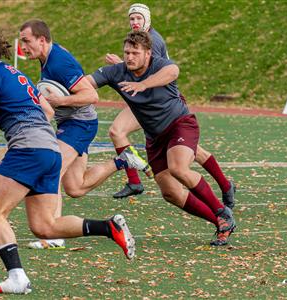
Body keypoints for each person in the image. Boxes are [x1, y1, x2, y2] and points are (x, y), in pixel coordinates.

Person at [0, 26, 136, 294]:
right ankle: (109, 227)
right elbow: (48, 110)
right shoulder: (17, 74)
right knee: (45, 226)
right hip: (50, 148)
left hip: (28, 150)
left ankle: (17, 278)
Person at [88, 31, 237, 246]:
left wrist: (145, 84)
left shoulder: (159, 65)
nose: (130, 57)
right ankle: (220, 221)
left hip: (180, 125)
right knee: (170, 193)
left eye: (135, 53)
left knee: (178, 168)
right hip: (154, 138)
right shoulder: (117, 71)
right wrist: (62, 94)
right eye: (127, 52)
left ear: (148, 53)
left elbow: (173, 71)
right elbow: (87, 82)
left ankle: (222, 211)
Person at [18, 19, 149, 249]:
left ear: (41, 39)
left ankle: (52, 236)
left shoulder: (58, 62)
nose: (23, 47)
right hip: (72, 122)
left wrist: (59, 101)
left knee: (52, 170)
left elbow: (91, 95)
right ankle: (122, 161)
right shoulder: (48, 57)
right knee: (75, 187)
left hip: (79, 123)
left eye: (26, 41)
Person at [105, 3, 236, 207]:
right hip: (144, 97)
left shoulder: (152, 42)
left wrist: (119, 69)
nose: (135, 22)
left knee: (117, 131)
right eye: (132, 19)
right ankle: (225, 185)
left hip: (157, 100)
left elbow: (155, 74)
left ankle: (135, 181)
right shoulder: (139, 40)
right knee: (194, 151)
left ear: (147, 20)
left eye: (139, 18)